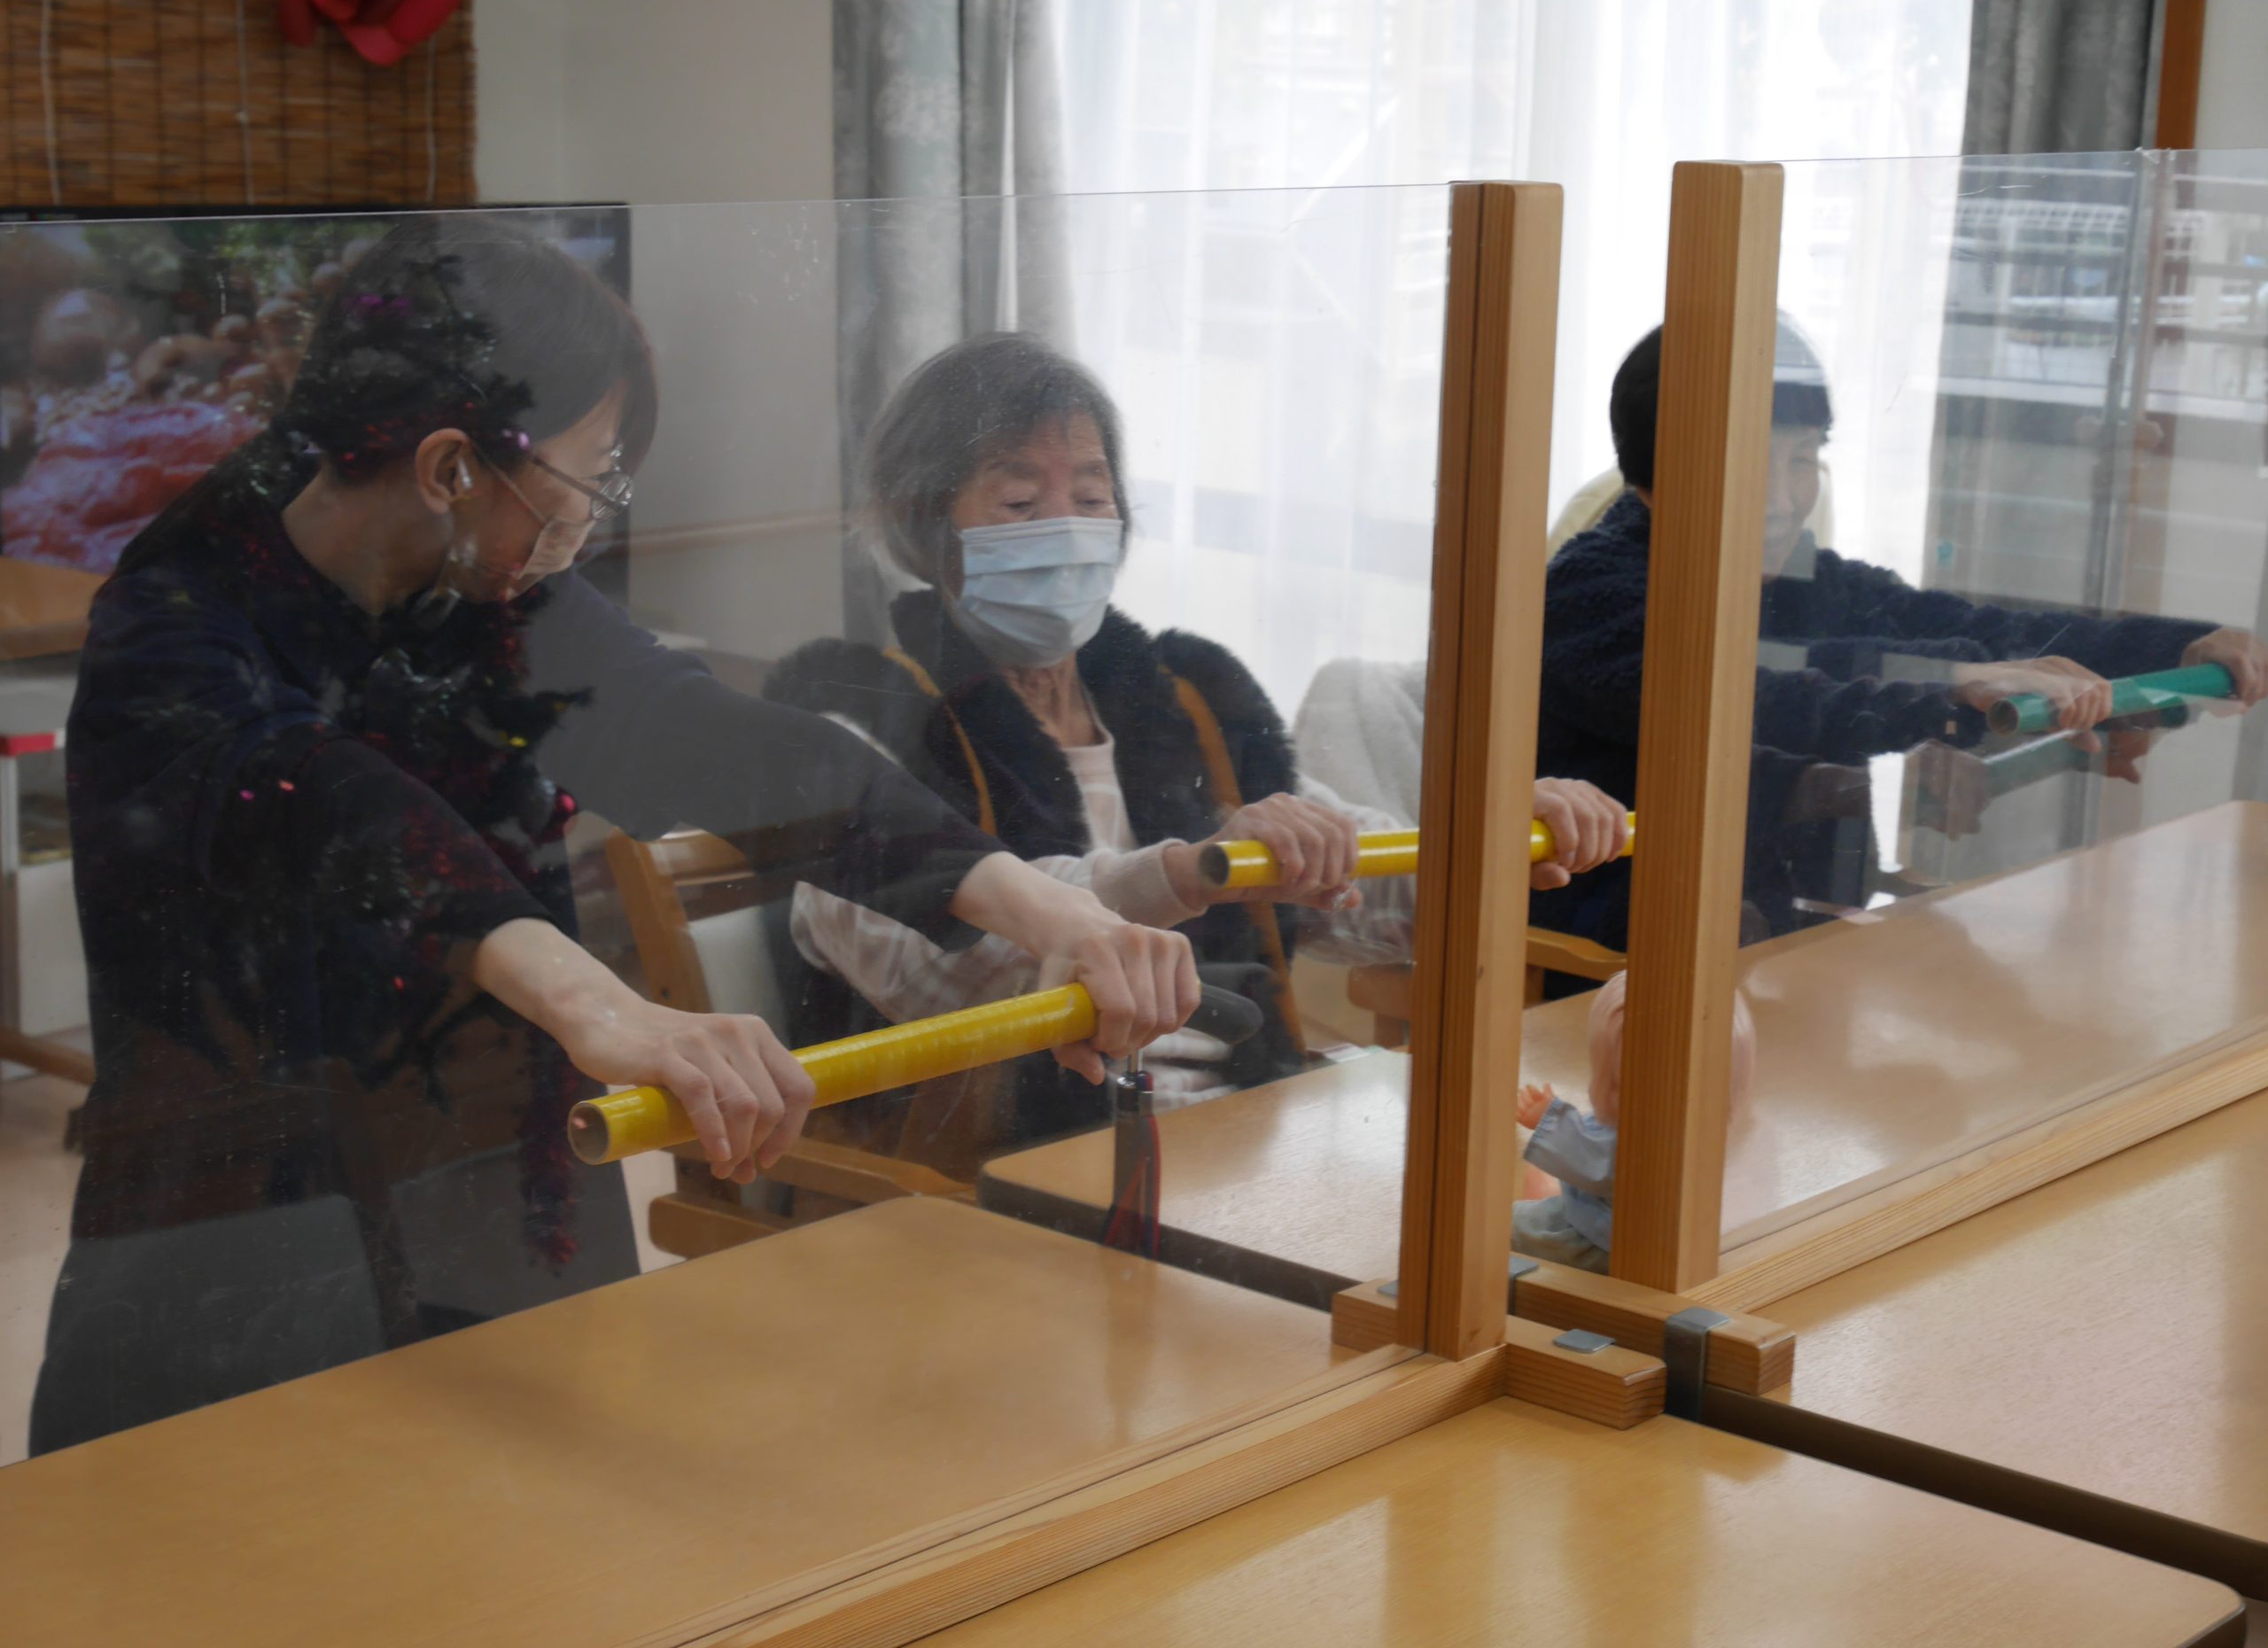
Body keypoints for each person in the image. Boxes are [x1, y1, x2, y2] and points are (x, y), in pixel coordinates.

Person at [32, 218, 1197, 1455]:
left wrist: (1045, 905)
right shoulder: (177, 615)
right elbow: (339, 811)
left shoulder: (479, 579)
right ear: (449, 468)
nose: (589, 525)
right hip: (253, 1211)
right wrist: (605, 1007)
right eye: (589, 479)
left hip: (497, 1174)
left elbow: (709, 734)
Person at [765, 332, 1629, 1138]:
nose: (1066, 529)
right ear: (927, 522)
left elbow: (1355, 879)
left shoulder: (1181, 701)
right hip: (1019, 1163)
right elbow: (953, 970)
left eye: (1091, 498)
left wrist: (1493, 842)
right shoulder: (862, 725)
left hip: (1247, 1124)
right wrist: (1190, 873)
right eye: (1021, 500)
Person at [1531, 318, 2268, 953]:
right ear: (1660, 468)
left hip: (1794, 951)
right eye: (1752, 463)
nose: (1783, 500)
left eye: (1802, 459)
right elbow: (1763, 698)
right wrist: (1952, 687)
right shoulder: (1585, 592)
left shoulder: (1806, 580)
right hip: (1616, 976)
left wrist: (2177, 649)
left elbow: (1977, 629)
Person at [1511, 970, 1756, 1272]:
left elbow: (1595, 1166)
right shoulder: (1697, 1129)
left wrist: (1548, 1120)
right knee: (1541, 1180)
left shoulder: (1636, 1140)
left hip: (1598, 1242)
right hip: (1642, 1228)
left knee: (1507, 1226)